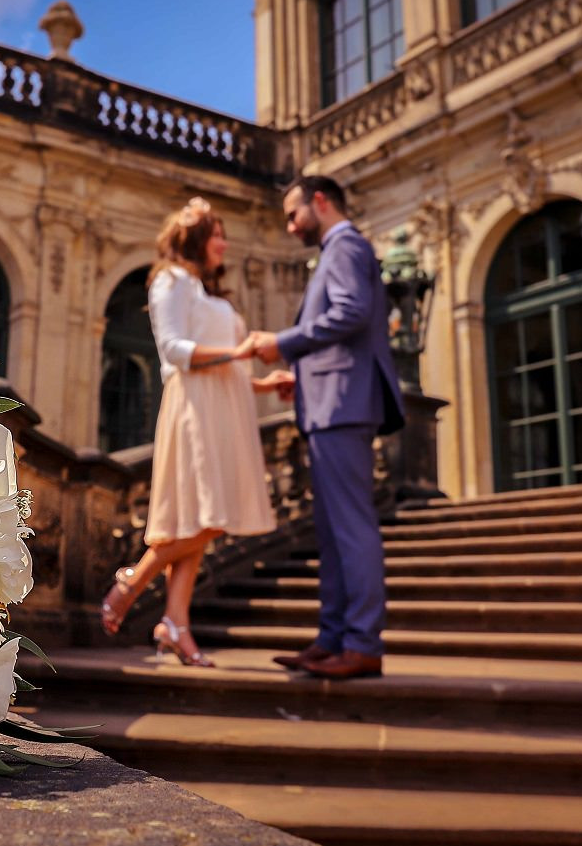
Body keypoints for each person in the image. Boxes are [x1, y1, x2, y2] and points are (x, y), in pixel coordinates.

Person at [99, 197, 285, 666]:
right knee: (210, 517)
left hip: (224, 406)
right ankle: (134, 582)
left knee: (200, 517)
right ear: (198, 237)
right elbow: (175, 350)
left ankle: (175, 623)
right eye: (218, 233)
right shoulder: (170, 280)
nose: (224, 243)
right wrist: (241, 353)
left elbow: (228, 364)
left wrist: (265, 382)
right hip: (195, 407)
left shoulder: (203, 291)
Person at [245, 175, 404, 680]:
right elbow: (346, 329)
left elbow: (351, 313)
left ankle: (361, 643)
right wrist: (302, 373)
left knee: (351, 528)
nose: (291, 226)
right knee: (335, 533)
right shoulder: (340, 250)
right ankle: (333, 639)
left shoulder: (345, 244)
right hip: (331, 401)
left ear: (320, 201)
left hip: (344, 406)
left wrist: (284, 342)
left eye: (294, 214)